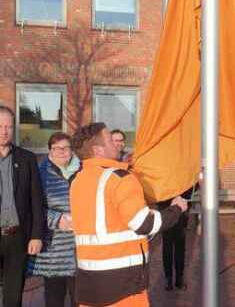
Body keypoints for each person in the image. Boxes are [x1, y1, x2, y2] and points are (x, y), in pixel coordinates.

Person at [69, 122, 188, 307]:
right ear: (98, 150)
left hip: (89, 282)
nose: (117, 144)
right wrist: (176, 209)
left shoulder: (78, 180)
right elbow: (144, 224)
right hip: (122, 284)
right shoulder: (120, 178)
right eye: (110, 140)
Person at [27, 132, 80, 307]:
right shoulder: (39, 173)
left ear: (72, 150)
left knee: (79, 298)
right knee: (54, 298)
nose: (62, 152)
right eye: (57, 148)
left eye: (66, 147)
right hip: (54, 248)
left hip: (80, 246)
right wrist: (56, 219)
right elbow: (32, 207)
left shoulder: (83, 170)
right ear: (49, 150)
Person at [0, 105, 44, 307]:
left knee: (13, 295)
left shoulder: (27, 159)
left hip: (18, 238)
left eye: (8, 126)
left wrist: (36, 235)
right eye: (0, 126)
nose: (4, 131)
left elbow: (36, 200)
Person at [158, 187, 193, 291]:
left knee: (179, 245)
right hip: (167, 208)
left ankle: (178, 278)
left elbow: (191, 185)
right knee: (168, 245)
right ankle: (169, 279)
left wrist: (184, 197)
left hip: (180, 209)